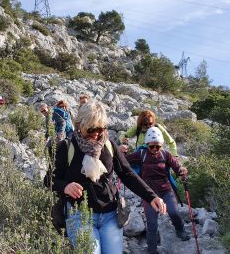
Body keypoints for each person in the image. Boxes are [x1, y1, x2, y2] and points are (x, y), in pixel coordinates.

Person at [52, 100, 167, 254]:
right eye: (91, 129)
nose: (96, 134)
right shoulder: (66, 147)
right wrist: (66, 187)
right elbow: (50, 179)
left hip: (110, 216)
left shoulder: (109, 145)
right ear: (79, 125)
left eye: (100, 129)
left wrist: (152, 197)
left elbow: (127, 174)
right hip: (80, 215)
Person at [125, 127, 189, 254]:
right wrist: (122, 152)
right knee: (152, 223)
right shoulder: (141, 154)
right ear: (147, 144)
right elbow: (124, 162)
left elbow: (177, 167)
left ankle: (180, 230)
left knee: (174, 212)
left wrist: (182, 171)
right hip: (149, 193)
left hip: (166, 189)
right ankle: (152, 249)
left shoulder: (166, 155)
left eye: (158, 147)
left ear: (162, 145)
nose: (155, 149)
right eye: (152, 146)